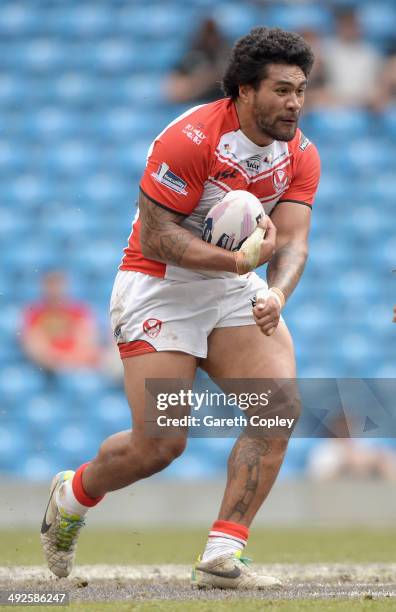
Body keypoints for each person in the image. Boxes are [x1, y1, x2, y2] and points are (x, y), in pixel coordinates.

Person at [40, 27, 320, 589]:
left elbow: (291, 241)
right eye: (282, 90)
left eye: (301, 90)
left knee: (277, 409)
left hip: (229, 292)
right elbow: (156, 238)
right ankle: (73, 496)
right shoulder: (189, 139)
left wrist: (275, 292)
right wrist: (240, 266)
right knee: (161, 444)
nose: (295, 102)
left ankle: (223, 554)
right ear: (244, 90)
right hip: (159, 286)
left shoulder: (301, 155)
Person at [21, 270, 100, 373]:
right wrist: (60, 362)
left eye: (58, 285)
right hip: (47, 370)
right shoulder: (34, 313)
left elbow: (88, 343)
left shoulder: (79, 311)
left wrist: (70, 362)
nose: (54, 290)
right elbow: (35, 349)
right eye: (50, 285)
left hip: (77, 367)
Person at [164, 17, 231, 104]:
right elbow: (173, 93)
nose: (210, 39)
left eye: (213, 33)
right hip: (197, 104)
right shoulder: (192, 57)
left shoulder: (227, 55)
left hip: (225, 105)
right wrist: (205, 80)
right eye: (207, 33)